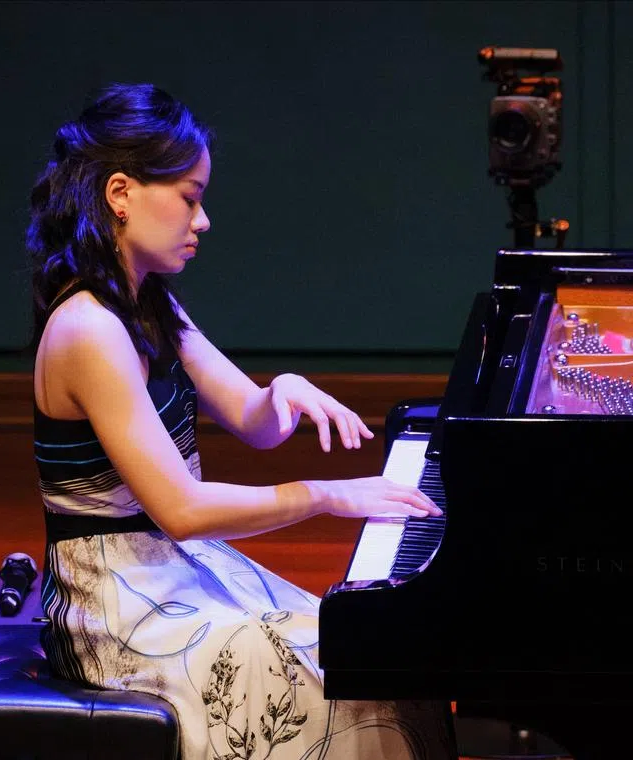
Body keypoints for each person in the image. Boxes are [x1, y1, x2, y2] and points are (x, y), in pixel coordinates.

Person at [26, 82, 455, 760]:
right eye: (190, 198)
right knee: (340, 681)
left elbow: (255, 423)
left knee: (377, 654)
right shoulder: (88, 330)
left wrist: (281, 391)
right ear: (120, 193)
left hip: (171, 570)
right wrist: (327, 494)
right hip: (117, 607)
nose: (203, 222)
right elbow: (183, 509)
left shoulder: (150, 305)